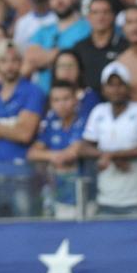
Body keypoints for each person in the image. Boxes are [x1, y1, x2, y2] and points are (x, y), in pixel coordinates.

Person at [0, 41, 44, 218]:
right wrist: (13, 125)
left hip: (21, 173)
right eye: (4, 61)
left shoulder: (33, 92)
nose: (9, 66)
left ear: (21, 62)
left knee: (24, 229)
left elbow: (25, 134)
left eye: (14, 60)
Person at [79, 62, 137, 216]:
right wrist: (110, 156)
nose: (116, 89)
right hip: (105, 198)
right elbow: (83, 148)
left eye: (120, 84)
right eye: (111, 85)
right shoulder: (98, 112)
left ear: (128, 87)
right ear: (103, 89)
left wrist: (112, 155)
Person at [28, 81, 87, 219]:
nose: (61, 104)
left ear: (75, 99)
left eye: (66, 98)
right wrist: (54, 156)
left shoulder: (84, 121)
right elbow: (32, 153)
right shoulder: (50, 122)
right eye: (56, 100)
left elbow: (73, 153)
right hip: (58, 196)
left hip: (82, 197)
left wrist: (52, 156)